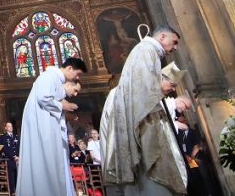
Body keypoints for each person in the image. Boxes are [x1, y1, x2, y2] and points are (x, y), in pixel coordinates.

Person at [101, 25, 184, 196]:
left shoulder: (147, 50)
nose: (175, 48)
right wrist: (161, 87)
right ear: (162, 37)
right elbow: (141, 90)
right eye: (174, 42)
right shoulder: (147, 50)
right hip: (144, 120)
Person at [16, 57, 87, 196]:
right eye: (77, 74)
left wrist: (65, 113)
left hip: (47, 125)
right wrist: (63, 105)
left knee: (52, 163)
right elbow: (43, 98)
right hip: (42, 128)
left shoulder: (56, 79)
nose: (76, 77)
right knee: (44, 162)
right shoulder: (49, 76)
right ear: (70, 68)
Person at [0, 121, 20, 194]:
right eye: (8, 126)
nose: (10, 128)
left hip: (18, 160)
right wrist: (12, 156)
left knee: (18, 177)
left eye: (11, 126)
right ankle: (12, 192)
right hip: (9, 160)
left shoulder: (16, 137)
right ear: (5, 128)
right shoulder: (3, 137)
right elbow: (3, 148)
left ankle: (19, 192)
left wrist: (18, 156)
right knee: (11, 177)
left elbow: (19, 147)